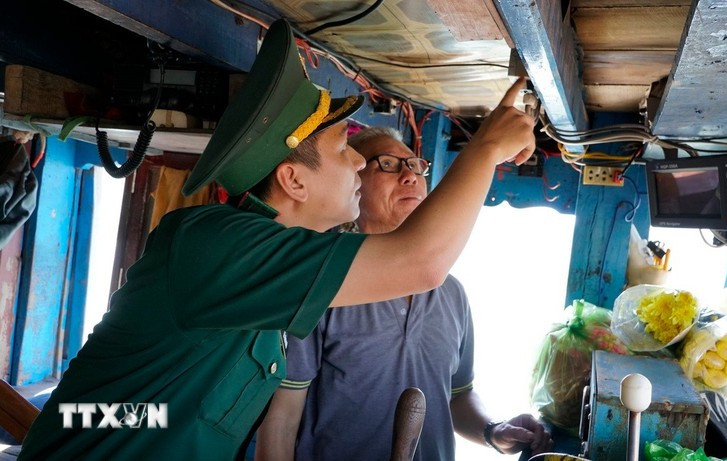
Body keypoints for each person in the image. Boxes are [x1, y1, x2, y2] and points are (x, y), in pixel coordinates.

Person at [18, 18, 535, 460]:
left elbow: (161, 407)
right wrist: (485, 148)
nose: (357, 160)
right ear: (294, 180)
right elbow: (420, 262)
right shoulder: (214, 243)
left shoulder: (272, 279)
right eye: (342, 149)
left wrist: (142, 417)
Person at [254, 126, 553, 460]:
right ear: (354, 181)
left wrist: (494, 430)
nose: (410, 176)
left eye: (415, 165)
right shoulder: (326, 284)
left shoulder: (452, 293)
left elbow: (456, 395)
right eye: (387, 164)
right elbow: (281, 418)